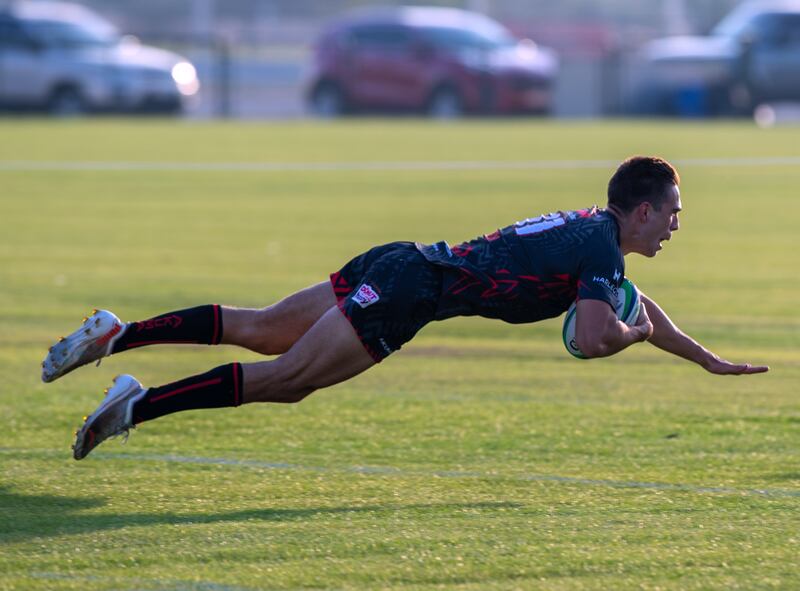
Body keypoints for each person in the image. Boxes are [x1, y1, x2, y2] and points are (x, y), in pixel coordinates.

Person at [42, 156, 769, 460]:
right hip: (411, 292)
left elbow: (641, 306)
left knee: (260, 328)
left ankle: (120, 333)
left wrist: (703, 358)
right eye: (672, 213)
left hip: (401, 259)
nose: (676, 225)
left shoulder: (597, 235)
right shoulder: (600, 251)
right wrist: (633, 335)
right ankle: (135, 405)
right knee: (287, 377)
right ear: (641, 211)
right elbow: (595, 331)